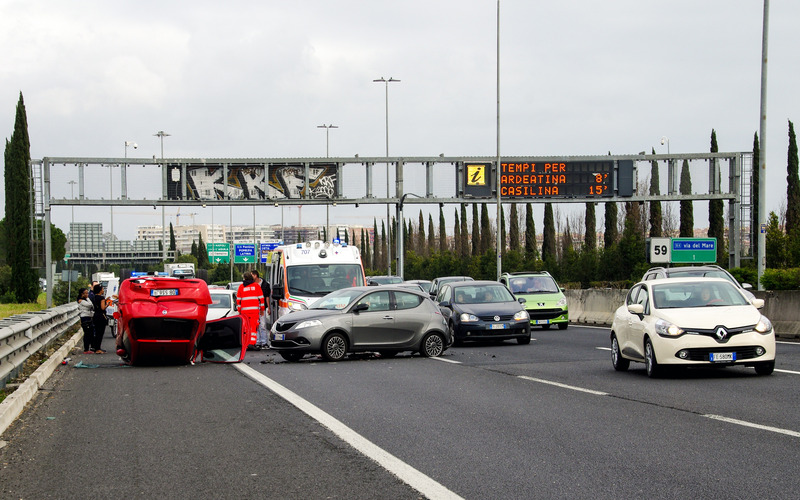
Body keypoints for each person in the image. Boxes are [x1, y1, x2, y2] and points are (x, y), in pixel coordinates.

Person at [237, 271, 265, 350]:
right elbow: (261, 299)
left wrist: (239, 310)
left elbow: (238, 300)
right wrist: (262, 310)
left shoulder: (241, 287)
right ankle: (252, 343)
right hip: (254, 312)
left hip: (244, 312)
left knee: (246, 328)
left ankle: (246, 343)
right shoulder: (256, 286)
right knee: (253, 328)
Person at [250, 269, 271, 349]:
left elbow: (267, 297)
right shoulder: (252, 285)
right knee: (256, 325)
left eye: (252, 275)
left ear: (255, 275)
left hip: (262, 307)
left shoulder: (265, 284)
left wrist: (268, 307)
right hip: (254, 308)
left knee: (262, 325)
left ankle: (264, 342)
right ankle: (258, 341)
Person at [77, 288, 96, 354]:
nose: (87, 294)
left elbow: (92, 305)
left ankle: (90, 347)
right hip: (84, 318)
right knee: (87, 333)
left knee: (91, 333)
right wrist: (87, 298)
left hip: (89, 317)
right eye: (85, 293)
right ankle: (86, 349)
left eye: (87, 293)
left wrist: (87, 298)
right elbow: (90, 305)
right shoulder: (81, 301)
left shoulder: (85, 300)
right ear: (82, 294)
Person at [90, 284, 108, 354]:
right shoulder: (101, 298)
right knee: (100, 333)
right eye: (102, 289)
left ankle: (95, 347)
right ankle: (98, 349)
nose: (103, 290)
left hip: (95, 316)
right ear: (100, 290)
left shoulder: (93, 297)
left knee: (96, 332)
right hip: (101, 316)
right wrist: (107, 304)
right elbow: (102, 308)